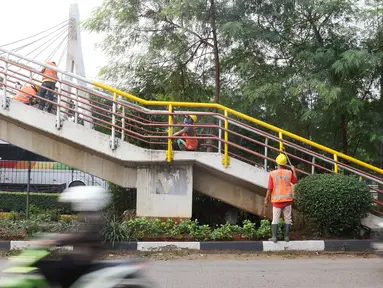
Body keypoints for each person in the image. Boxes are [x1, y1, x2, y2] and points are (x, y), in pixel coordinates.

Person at [35, 186, 110, 288]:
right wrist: (59, 236)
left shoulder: (94, 217)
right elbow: (79, 234)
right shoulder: (89, 215)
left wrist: (57, 240)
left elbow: (80, 236)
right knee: (53, 263)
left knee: (54, 267)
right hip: (82, 255)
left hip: (83, 257)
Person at [264, 153, 298, 243]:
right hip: (287, 201)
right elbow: (295, 181)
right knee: (288, 219)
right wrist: (294, 171)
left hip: (277, 201)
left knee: (275, 219)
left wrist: (266, 199)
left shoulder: (272, 174)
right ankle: (286, 237)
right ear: (285, 163)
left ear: (277, 163)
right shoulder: (289, 173)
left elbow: (270, 188)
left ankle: (274, 237)